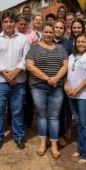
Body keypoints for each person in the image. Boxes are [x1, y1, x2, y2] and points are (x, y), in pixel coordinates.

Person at [26, 23, 68, 159]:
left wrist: (55, 78)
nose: (48, 34)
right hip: (38, 86)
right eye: (46, 32)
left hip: (56, 87)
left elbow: (66, 65)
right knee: (42, 116)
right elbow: (29, 66)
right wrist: (46, 78)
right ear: (42, 32)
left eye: (51, 32)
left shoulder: (60, 48)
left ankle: (54, 144)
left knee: (54, 116)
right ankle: (43, 143)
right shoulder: (35, 47)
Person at [0, 11, 30, 150]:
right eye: (6, 21)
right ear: (2, 24)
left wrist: (15, 72)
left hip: (18, 81)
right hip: (0, 81)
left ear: (16, 23)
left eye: (11, 21)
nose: (9, 24)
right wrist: (7, 74)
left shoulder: (24, 39)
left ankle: (18, 136)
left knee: (17, 110)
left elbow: (27, 58)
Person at [65, 33, 86, 163]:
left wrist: (77, 89)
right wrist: (66, 87)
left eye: (83, 42)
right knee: (78, 122)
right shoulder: (72, 56)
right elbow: (67, 74)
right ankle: (81, 148)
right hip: (71, 94)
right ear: (75, 43)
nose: (80, 44)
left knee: (85, 123)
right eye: (78, 41)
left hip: (83, 95)